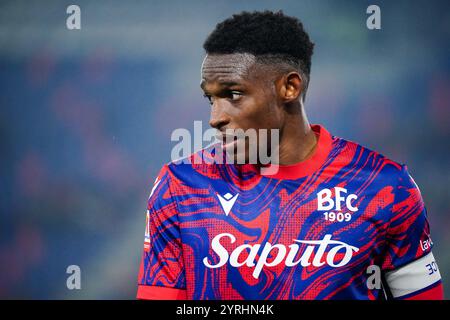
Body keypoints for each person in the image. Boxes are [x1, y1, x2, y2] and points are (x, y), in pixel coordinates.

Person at [137, 10, 443, 300]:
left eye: (233, 94)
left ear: (289, 87)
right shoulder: (181, 186)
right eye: (211, 98)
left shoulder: (386, 186)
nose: (215, 117)